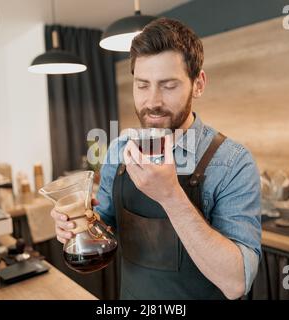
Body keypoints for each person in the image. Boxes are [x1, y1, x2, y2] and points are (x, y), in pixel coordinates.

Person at [51, 17, 261, 300]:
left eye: (168, 85)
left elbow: (236, 282)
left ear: (198, 84)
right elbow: (104, 228)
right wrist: (77, 224)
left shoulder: (233, 162)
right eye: (142, 85)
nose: (152, 101)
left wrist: (171, 196)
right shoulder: (119, 149)